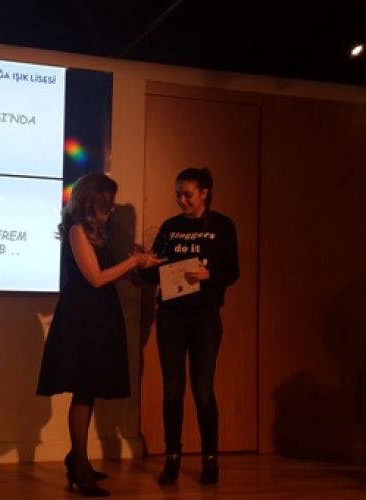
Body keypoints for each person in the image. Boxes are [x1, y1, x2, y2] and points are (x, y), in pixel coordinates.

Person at [36, 172, 161, 497]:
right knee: (83, 389)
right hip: (82, 318)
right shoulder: (78, 230)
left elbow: (104, 274)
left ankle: (78, 459)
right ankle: (78, 463)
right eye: (108, 204)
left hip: (97, 315)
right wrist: (133, 261)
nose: (112, 210)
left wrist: (138, 264)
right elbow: (95, 278)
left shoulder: (95, 232)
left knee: (88, 389)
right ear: (93, 202)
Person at [144, 167, 239, 486]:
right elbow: (154, 270)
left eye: (187, 194)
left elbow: (233, 271)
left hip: (204, 316)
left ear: (204, 193)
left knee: (203, 390)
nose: (182, 200)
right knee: (172, 390)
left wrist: (210, 275)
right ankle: (172, 457)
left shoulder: (222, 225)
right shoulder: (170, 227)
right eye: (178, 194)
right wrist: (144, 264)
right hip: (171, 316)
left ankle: (210, 459)